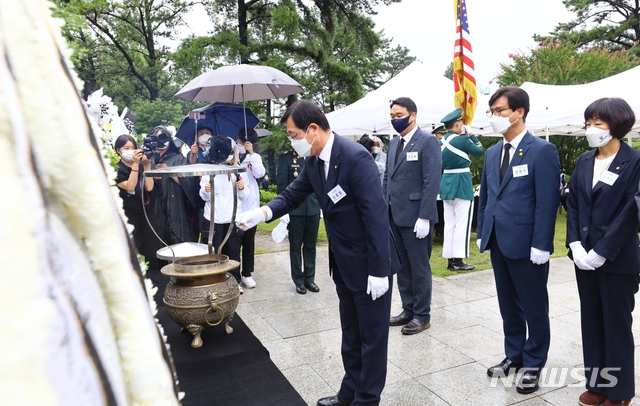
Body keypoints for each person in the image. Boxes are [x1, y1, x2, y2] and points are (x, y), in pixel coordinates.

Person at [236, 100, 399, 406]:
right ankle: (349, 392)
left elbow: (375, 216)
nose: (292, 140)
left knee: (372, 340)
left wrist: (379, 271)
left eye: (293, 133)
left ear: (312, 129)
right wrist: (262, 212)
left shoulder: (355, 157)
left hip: (370, 264)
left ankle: (366, 400)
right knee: (351, 337)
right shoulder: (314, 161)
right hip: (344, 263)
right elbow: (292, 195)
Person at [477, 87, 560, 395]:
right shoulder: (491, 153)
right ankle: (514, 354)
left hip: (527, 244)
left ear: (519, 112)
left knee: (533, 306)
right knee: (508, 305)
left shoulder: (541, 150)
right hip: (499, 239)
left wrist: (542, 244)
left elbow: (547, 202)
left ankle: (534, 362)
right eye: (492, 112)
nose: (495, 117)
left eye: (499, 111)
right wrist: (483, 231)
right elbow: (486, 196)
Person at [568, 98, 640, 406]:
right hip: (584, 259)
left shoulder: (634, 161)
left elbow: (633, 210)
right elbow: (572, 203)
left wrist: (603, 250)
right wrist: (574, 244)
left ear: (617, 125)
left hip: (617, 259)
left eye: (599, 123)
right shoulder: (585, 160)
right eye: (589, 123)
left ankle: (621, 392)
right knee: (592, 322)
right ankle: (597, 384)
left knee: (616, 325)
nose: (592, 129)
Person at [384, 97, 442, 336]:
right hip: (394, 215)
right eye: (392, 116)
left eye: (399, 115)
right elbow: (388, 177)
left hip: (417, 216)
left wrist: (425, 216)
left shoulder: (427, 141)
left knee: (419, 268)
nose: (395, 120)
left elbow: (431, 180)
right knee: (402, 266)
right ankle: (408, 309)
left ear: (413, 115)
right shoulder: (394, 144)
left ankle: (422, 315)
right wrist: (382, 205)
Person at [199, 135, 249, 287]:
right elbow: (204, 197)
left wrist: (241, 188)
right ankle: (212, 280)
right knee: (213, 252)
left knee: (233, 252)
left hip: (232, 219)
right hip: (213, 219)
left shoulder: (237, 172)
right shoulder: (209, 172)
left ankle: (234, 281)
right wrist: (207, 190)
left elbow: (244, 196)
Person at [438, 108, 484, 271]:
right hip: (462, 183)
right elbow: (479, 151)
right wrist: (471, 134)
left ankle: (450, 260)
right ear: (458, 124)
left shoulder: (439, 142)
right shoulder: (462, 140)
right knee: (462, 224)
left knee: (449, 224)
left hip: (446, 183)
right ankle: (458, 260)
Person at [114, 134, 162, 273]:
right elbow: (130, 186)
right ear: (118, 150)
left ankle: (156, 283)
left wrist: (146, 165)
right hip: (129, 213)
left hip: (147, 212)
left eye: (133, 147)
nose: (130, 150)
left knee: (151, 248)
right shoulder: (117, 168)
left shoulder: (142, 165)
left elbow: (149, 187)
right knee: (135, 247)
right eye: (126, 148)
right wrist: (135, 164)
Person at [277, 149, 321, 294]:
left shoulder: (314, 156)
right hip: (296, 210)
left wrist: (321, 205)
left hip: (313, 208)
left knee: (310, 246)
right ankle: (298, 280)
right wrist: (283, 209)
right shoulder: (286, 158)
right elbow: (282, 185)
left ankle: (309, 278)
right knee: (295, 246)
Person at [151, 125, 201, 245]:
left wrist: (169, 172)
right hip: (155, 208)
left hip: (177, 209)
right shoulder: (148, 159)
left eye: (162, 137)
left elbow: (189, 185)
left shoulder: (179, 159)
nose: (160, 141)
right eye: (156, 137)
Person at [236, 127, 265, 289]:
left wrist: (252, 154)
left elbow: (260, 174)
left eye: (246, 141)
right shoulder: (231, 155)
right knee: (234, 243)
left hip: (250, 207)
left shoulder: (254, 158)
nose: (242, 144)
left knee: (248, 242)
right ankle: (233, 275)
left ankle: (247, 273)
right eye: (240, 140)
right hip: (235, 207)